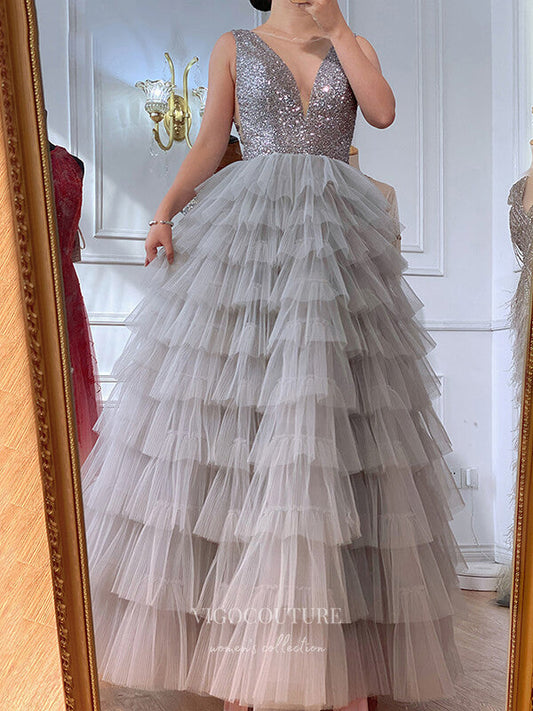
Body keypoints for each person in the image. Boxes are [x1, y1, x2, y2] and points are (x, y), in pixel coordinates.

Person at [81, 1, 466, 710]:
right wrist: (165, 213)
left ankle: (341, 664)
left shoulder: (352, 41)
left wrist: (340, 31)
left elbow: (381, 114)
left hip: (337, 239)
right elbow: (209, 141)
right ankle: (244, 662)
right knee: (245, 433)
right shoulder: (234, 44)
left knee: (332, 433)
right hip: (248, 236)